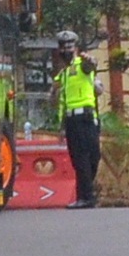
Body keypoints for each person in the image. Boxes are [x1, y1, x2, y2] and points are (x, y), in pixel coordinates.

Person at [52, 30, 100, 209]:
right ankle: (85, 197)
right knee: (79, 160)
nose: (66, 51)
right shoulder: (63, 74)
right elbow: (60, 100)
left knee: (94, 156)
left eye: (69, 47)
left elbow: (91, 65)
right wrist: (61, 127)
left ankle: (87, 192)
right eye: (63, 48)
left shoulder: (82, 65)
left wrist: (90, 60)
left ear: (76, 48)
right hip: (72, 120)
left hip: (87, 117)